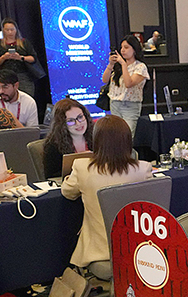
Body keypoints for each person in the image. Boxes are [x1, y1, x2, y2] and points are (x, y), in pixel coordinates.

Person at [61, 115, 153, 268]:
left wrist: (68, 178)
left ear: (97, 141)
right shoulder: (143, 169)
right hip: (138, 249)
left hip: (97, 251)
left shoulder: (82, 167)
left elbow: (67, 192)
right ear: (127, 141)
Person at [102, 34, 149, 135]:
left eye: (126, 47)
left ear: (134, 50)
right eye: (122, 47)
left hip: (130, 105)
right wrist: (111, 64)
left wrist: (123, 64)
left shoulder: (140, 67)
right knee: (116, 135)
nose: (123, 50)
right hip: (114, 104)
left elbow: (129, 83)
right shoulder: (118, 66)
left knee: (127, 135)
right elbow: (105, 80)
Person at [43, 98, 94, 179]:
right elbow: (52, 177)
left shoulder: (97, 136)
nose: (78, 123)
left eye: (80, 117)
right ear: (62, 124)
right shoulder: (52, 145)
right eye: (71, 121)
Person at [0, 18, 37, 97]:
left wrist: (21, 58)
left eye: (12, 29)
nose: (10, 32)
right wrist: (4, 57)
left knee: (26, 97)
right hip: (5, 77)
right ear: (3, 30)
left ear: (16, 30)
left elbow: (33, 58)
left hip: (23, 75)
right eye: (7, 30)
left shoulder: (24, 42)